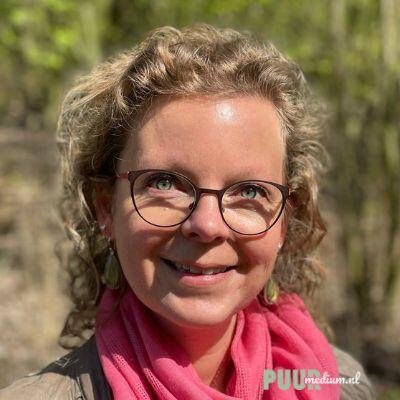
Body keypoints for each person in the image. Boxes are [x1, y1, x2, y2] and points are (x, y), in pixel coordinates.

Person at [0, 24, 375, 400]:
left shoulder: (341, 384)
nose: (207, 225)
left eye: (249, 191)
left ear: (284, 222)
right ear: (105, 206)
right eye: (165, 183)